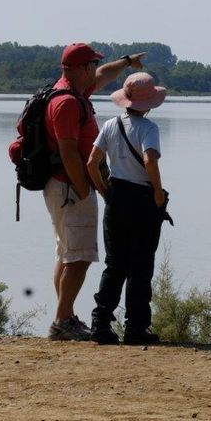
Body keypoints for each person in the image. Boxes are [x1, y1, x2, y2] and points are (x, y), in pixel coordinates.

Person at [44, 43, 145, 341]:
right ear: (82, 68)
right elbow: (68, 153)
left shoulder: (72, 90)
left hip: (63, 186)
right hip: (70, 186)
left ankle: (66, 316)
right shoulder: (67, 103)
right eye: (92, 65)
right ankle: (62, 322)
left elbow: (104, 74)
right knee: (79, 257)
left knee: (67, 253)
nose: (95, 71)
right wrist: (84, 188)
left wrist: (127, 62)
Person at [86, 72, 168, 345]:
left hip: (116, 197)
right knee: (141, 266)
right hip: (143, 200)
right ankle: (135, 328)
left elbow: (91, 163)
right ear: (150, 103)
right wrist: (157, 194)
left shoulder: (110, 125)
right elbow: (150, 161)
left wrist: (103, 190)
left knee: (115, 264)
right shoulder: (149, 129)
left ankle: (100, 324)